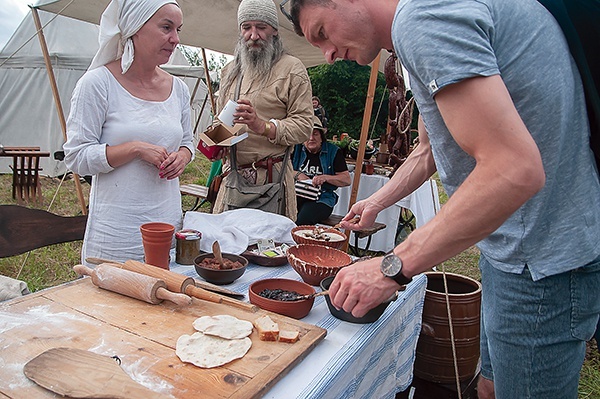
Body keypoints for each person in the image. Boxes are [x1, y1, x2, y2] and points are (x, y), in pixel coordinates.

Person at [289, 0, 600, 398]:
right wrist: (376, 201)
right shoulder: (433, 15)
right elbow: (430, 149)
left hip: (539, 263)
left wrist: (390, 268)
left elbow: (512, 169)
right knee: (488, 387)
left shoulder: (423, 19)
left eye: (321, 33)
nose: (328, 54)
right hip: (514, 251)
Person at [63, 0, 193, 265]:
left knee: (162, 295)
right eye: (166, 27)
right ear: (135, 27)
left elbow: (187, 142)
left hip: (165, 221)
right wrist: (135, 149)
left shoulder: (178, 89)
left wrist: (183, 156)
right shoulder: (97, 84)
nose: (175, 39)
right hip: (116, 231)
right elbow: (76, 157)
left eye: (178, 29)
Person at [211, 0, 313, 220]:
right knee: (228, 251)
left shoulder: (292, 68)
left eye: (261, 27)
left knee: (266, 252)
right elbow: (222, 123)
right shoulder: (230, 71)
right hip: (233, 183)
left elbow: (305, 126)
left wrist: (262, 126)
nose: (253, 35)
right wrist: (217, 145)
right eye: (246, 27)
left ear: (274, 30)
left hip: (271, 183)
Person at [292, 116, 350, 225]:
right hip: (297, 193)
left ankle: (301, 241)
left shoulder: (333, 151)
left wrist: (325, 177)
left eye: (315, 134)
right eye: (307, 134)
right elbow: (284, 169)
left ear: (322, 137)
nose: (311, 138)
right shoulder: (296, 149)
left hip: (322, 198)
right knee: (283, 215)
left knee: (302, 220)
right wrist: (298, 174)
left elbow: (346, 180)